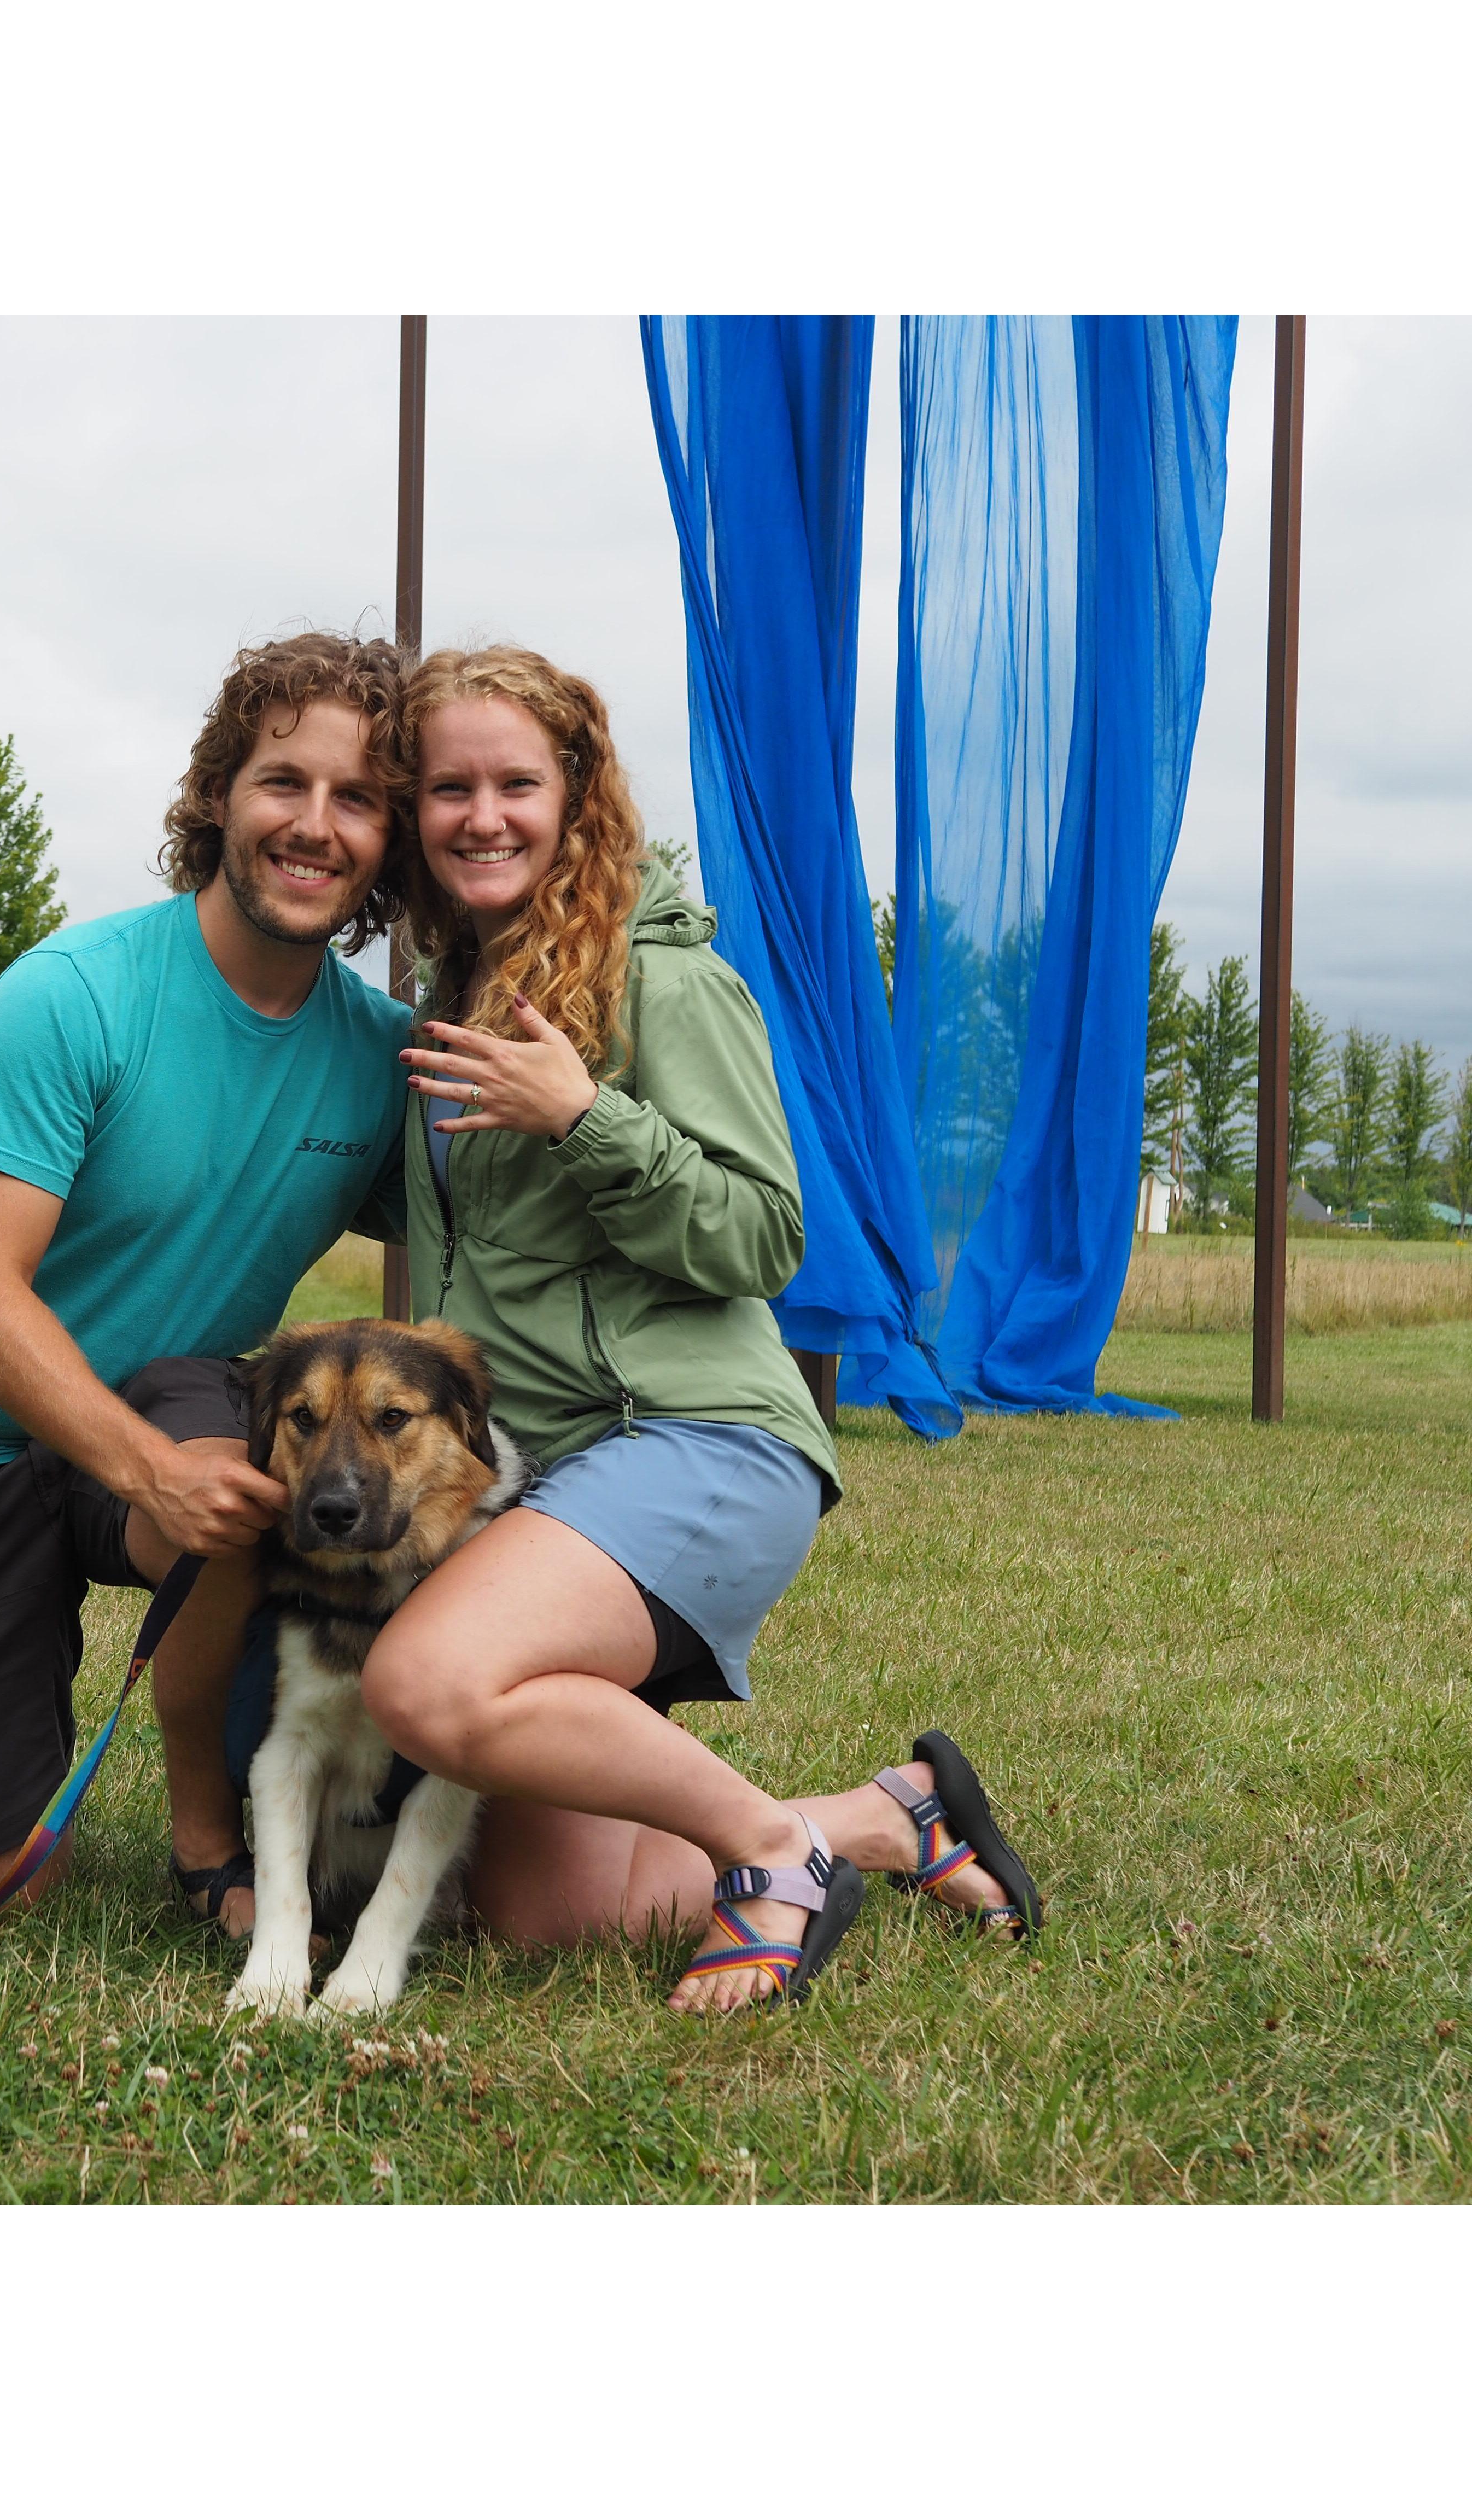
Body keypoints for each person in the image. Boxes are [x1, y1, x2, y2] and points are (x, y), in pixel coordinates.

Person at [360, 646, 1038, 2013]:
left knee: (426, 1685)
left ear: (578, 796)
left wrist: (586, 1120)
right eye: (449, 789)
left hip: (696, 1441)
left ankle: (770, 1859)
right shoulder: (453, 1000)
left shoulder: (662, 980)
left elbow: (764, 1236)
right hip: (544, 1473)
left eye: (516, 783)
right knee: (556, 1918)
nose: (482, 815)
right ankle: (885, 1822)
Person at [0, 632, 415, 1932]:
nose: (315, 826)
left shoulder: (383, 1061)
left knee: (258, 1477)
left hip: (174, 1404)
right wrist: (147, 1470)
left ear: (390, 843)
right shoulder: (72, 997)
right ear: (220, 793)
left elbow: (459, 1263)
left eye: (361, 799)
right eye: (284, 782)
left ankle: (208, 1831)